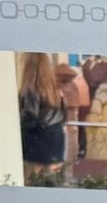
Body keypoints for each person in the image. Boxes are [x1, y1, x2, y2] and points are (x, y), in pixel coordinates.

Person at [16, 51, 70, 180]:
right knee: (53, 182)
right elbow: (64, 117)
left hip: (36, 143)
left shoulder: (31, 89)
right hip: (57, 140)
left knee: (33, 180)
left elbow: (29, 117)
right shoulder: (54, 90)